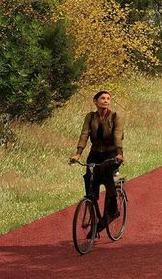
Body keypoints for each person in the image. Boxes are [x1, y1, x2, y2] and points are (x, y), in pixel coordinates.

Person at [69, 91, 124, 237]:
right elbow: (84, 134)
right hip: (95, 154)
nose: (106, 101)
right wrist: (78, 153)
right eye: (102, 98)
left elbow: (118, 134)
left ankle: (112, 213)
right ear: (95, 101)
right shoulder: (90, 116)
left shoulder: (115, 116)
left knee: (106, 176)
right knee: (89, 178)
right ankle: (91, 205)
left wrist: (119, 153)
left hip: (111, 154)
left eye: (108, 98)